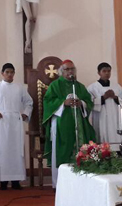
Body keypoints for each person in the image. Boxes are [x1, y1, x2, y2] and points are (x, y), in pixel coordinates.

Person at [43, 59, 96, 188]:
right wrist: (63, 103)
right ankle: (60, 184)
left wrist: (81, 103)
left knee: (81, 149)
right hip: (62, 124)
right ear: (62, 71)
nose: (70, 72)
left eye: (72, 69)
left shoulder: (79, 86)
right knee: (62, 151)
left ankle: (81, 182)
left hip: (79, 124)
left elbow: (88, 101)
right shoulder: (55, 85)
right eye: (67, 69)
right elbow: (47, 102)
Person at [0, 63, 33, 190]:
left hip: (16, 122)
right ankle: (3, 181)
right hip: (3, 121)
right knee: (3, 150)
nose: (10, 74)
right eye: (7, 72)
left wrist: (25, 114)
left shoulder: (19, 88)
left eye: (12, 72)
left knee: (16, 151)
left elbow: (29, 102)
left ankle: (16, 180)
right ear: (2, 73)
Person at [87, 62, 122, 149]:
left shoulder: (116, 87)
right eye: (104, 71)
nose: (107, 73)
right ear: (99, 73)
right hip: (101, 118)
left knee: (116, 142)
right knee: (102, 141)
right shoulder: (92, 87)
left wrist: (115, 97)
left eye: (109, 71)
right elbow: (89, 103)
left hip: (115, 119)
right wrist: (103, 98)